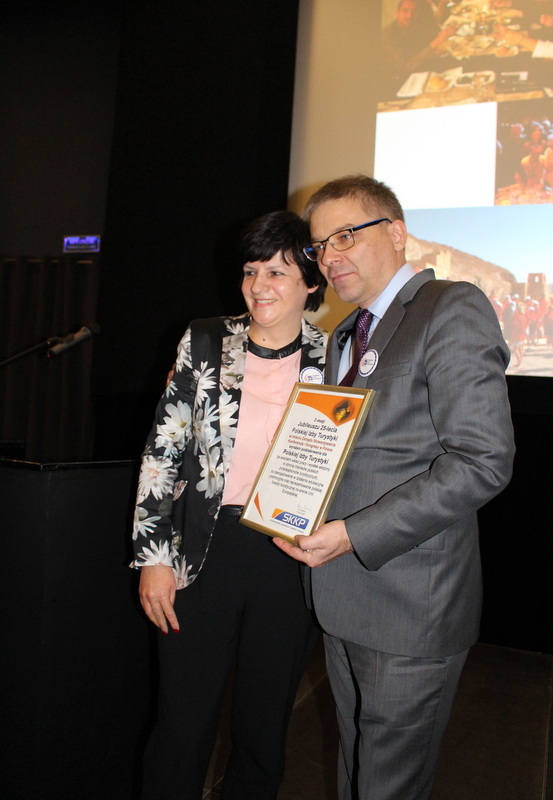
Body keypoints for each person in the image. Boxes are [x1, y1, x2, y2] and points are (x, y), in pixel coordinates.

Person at [275, 175, 515, 800]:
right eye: (319, 246)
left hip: (410, 606)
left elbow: (483, 460)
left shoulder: (450, 307)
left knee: (388, 786)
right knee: (358, 768)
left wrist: (353, 534)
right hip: (341, 595)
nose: (329, 257)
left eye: (345, 236)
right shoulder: (343, 335)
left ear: (398, 233)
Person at [132, 210, 327, 800]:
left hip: (289, 554)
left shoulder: (335, 357)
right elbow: (164, 449)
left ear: (311, 283)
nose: (259, 285)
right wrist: (153, 557)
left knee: (264, 729)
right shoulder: (206, 339)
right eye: (250, 271)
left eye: (277, 272)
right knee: (182, 723)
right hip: (201, 549)